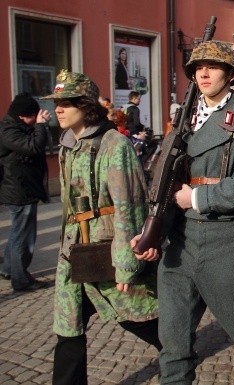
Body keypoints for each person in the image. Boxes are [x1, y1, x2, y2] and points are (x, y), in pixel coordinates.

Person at [132, 40, 234, 385]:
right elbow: (164, 180)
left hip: (224, 238)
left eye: (213, 67)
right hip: (178, 243)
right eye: (196, 68)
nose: (203, 73)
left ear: (231, 74)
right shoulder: (182, 119)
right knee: (172, 341)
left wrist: (198, 197)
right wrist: (153, 229)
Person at [40, 70, 161, 385]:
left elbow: (129, 206)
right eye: (57, 104)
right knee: (68, 327)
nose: (59, 110)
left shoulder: (113, 144)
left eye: (67, 103)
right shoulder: (68, 145)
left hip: (106, 248)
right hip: (73, 251)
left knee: (136, 315)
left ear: (87, 106)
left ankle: (177, 349)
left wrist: (126, 263)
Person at [0, 92, 50, 291]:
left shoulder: (15, 127)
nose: (36, 119)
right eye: (33, 116)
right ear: (22, 116)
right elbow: (34, 147)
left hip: (22, 187)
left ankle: (9, 268)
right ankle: (21, 280)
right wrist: (41, 125)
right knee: (24, 237)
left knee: (17, 232)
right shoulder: (9, 130)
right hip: (19, 189)